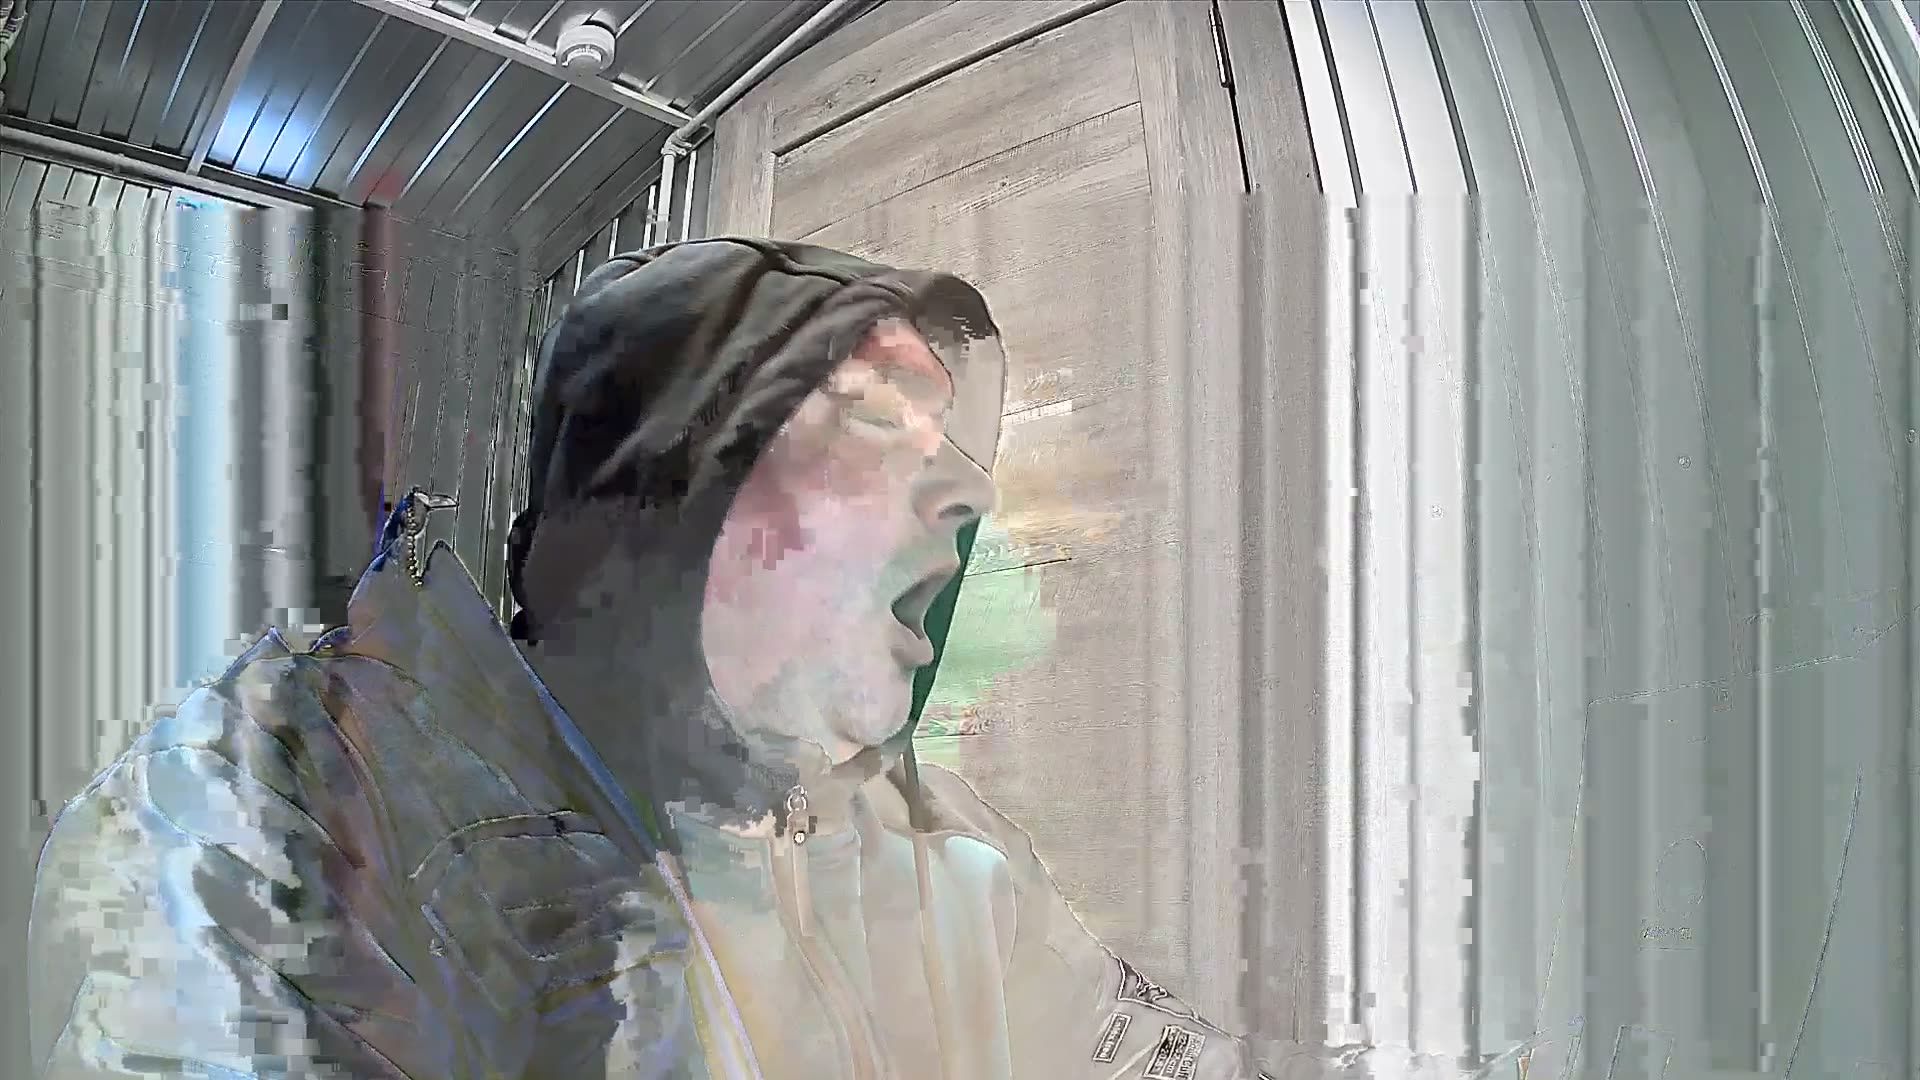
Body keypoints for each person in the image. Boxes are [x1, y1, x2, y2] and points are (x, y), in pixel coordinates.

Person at [29, 237, 1472, 1078]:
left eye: (963, 473)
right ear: (639, 502)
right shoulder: (268, 814)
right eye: (870, 433)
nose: (961, 507)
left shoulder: (891, 826)